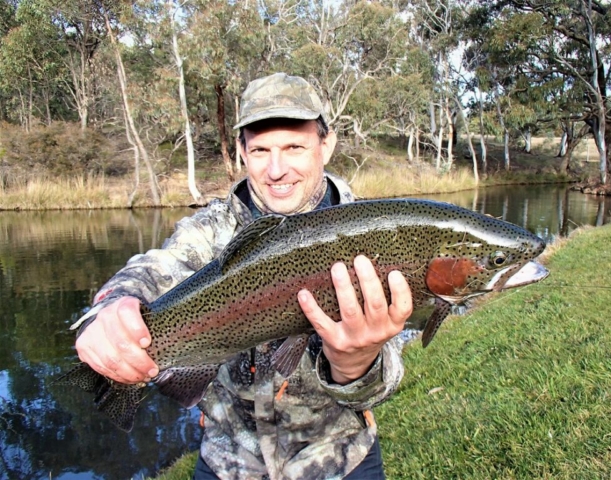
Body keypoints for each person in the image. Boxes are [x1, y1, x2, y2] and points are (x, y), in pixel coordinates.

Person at [74, 72, 413, 480]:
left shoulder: (379, 232)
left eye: (294, 147)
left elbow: (383, 385)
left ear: (327, 144)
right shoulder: (211, 231)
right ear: (241, 151)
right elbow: (156, 267)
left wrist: (355, 362)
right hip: (227, 464)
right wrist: (113, 309)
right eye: (260, 150)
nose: (276, 169)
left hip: (340, 460)